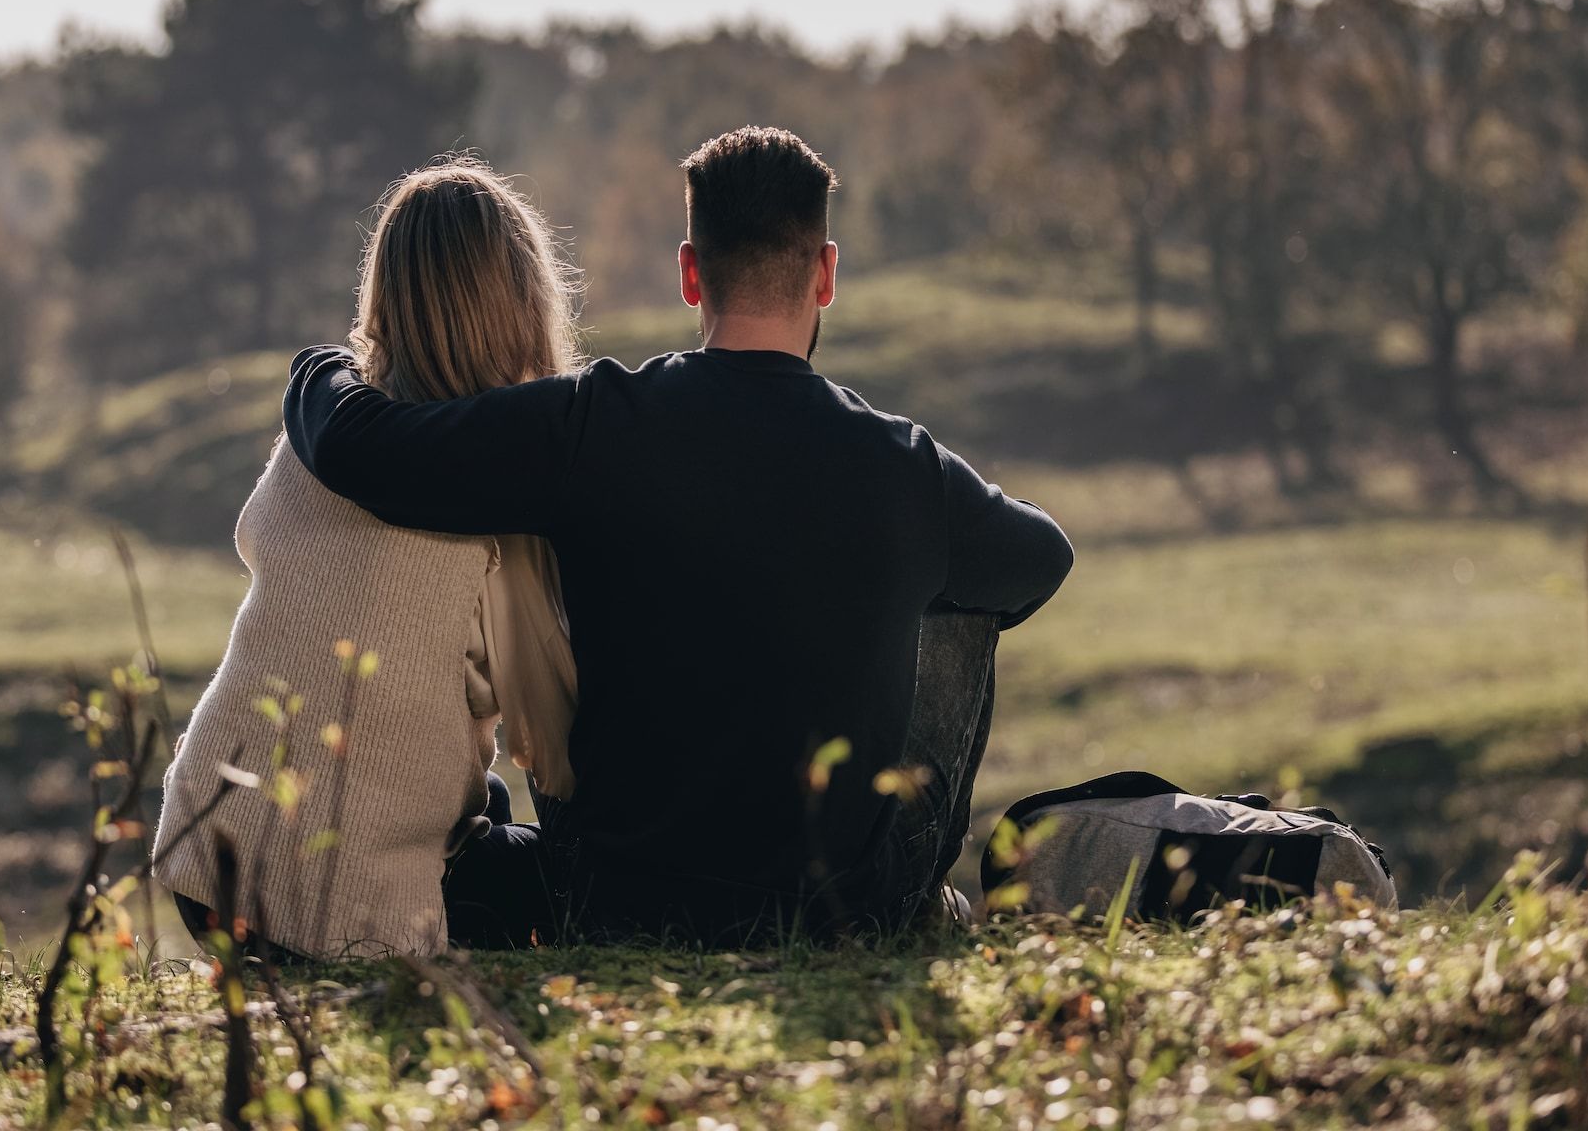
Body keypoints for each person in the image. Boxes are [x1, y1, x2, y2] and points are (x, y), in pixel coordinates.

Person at [283, 125, 1074, 942]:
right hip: (839, 910)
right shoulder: (906, 466)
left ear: (691, 273)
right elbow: (1043, 557)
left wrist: (318, 364)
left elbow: (360, 449)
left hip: (620, 897)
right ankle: (916, 892)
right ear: (826, 274)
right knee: (967, 594)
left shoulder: (595, 423)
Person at [152, 157, 579, 960]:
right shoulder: (504, 502)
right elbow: (548, 743)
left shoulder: (317, 442)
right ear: (526, 303)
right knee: (558, 873)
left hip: (206, 857)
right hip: (338, 905)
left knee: (479, 797)